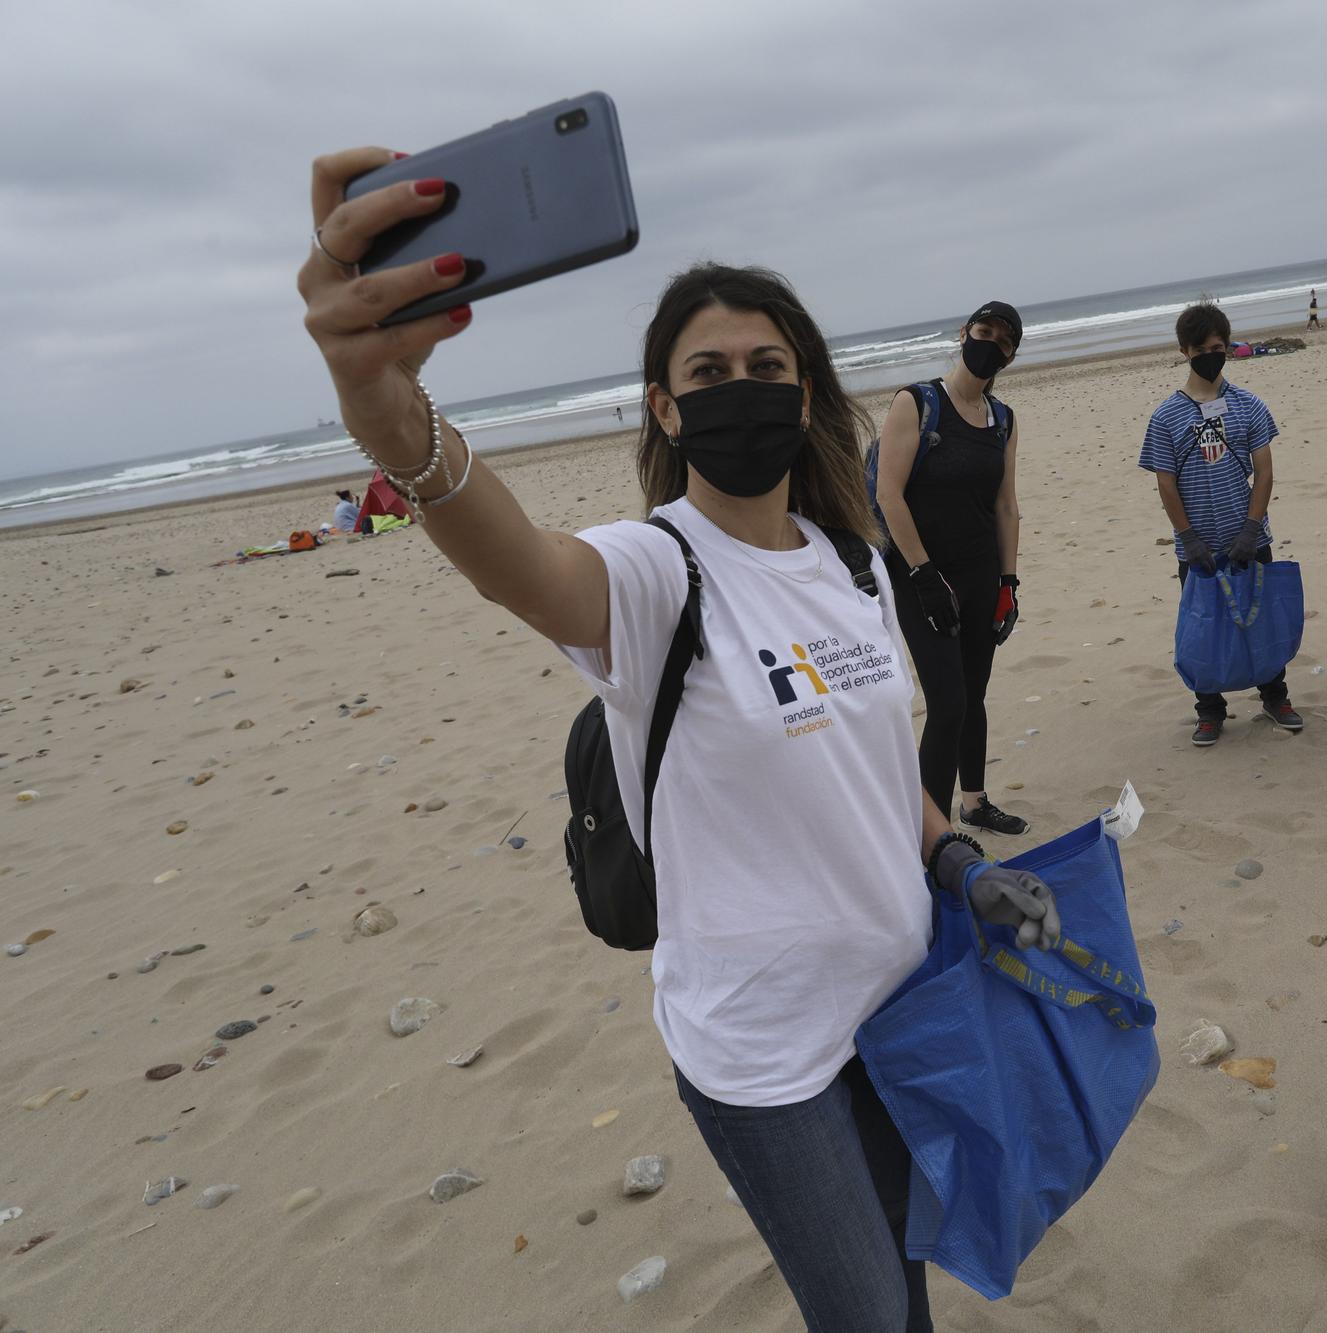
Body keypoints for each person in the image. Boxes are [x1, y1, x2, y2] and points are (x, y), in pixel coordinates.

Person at [297, 148, 1065, 1333]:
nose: (740, 387)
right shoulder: (655, 573)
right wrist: (387, 409)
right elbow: (523, 566)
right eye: (707, 372)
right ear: (664, 406)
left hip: (901, 999)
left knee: (906, 1283)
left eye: (767, 367)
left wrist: (962, 864)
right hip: (764, 1053)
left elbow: (875, 778)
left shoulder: (850, 561)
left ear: (803, 392)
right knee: (862, 1315)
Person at [874, 301, 1029, 836]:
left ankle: (975, 803)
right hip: (920, 580)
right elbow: (888, 495)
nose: (991, 344)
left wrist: (1008, 583)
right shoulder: (916, 403)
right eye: (983, 331)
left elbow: (1005, 505)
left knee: (973, 695)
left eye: (1004, 340)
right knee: (946, 703)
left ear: (1010, 356)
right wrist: (922, 574)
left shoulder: (1003, 420)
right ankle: (928, 836)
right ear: (964, 334)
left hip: (980, 573)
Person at [1141, 301, 1303, 746]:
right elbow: (1166, 483)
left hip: (1249, 539)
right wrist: (1188, 538)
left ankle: (1275, 696)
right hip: (1198, 548)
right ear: (1184, 350)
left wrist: (1252, 529)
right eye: (1201, 348)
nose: (1211, 355)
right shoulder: (1166, 416)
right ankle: (1209, 710)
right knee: (1204, 628)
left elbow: (1265, 472)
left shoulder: (1249, 405)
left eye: (1218, 346)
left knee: (1262, 619)